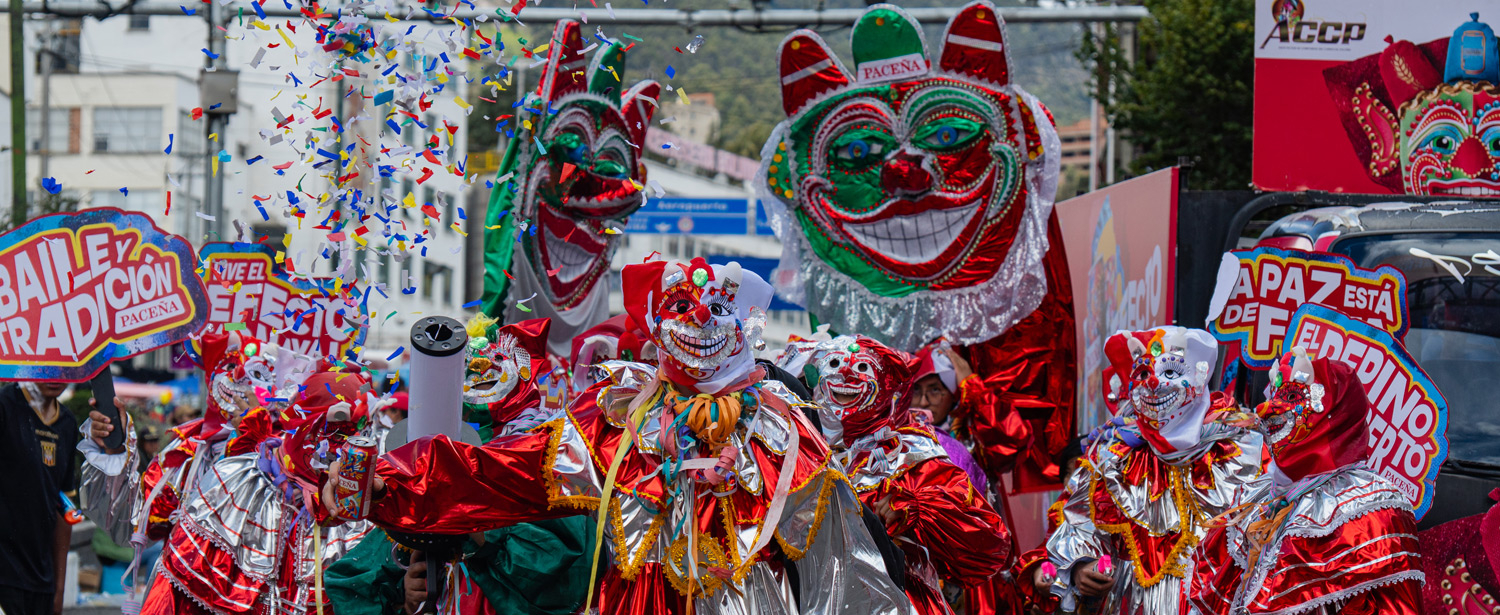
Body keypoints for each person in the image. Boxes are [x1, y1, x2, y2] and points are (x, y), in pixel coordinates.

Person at [325, 258, 914, 615]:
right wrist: (382, 484)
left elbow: (847, 563)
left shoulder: (783, 431)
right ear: (658, 323)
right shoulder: (618, 421)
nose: (701, 320)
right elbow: (502, 474)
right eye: (683, 305)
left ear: (744, 327)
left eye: (717, 309)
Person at [1037, 327, 1263, 614]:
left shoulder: (1243, 449)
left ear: (1197, 375)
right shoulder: (1114, 460)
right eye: (1143, 375)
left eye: (1169, 373)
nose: (1154, 384)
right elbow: (1079, 527)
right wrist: (1082, 566)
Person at [1189, 349, 1423, 615]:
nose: (1266, 409)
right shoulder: (1259, 500)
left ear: (1336, 409)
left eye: (1290, 397)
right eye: (1274, 396)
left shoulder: (1373, 509)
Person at [795, 334, 1011, 615]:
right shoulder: (798, 454)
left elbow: (988, 544)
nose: (847, 375)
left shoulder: (912, 455)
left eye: (862, 368)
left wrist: (917, 507)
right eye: (835, 364)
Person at [0, 380, 77, 615]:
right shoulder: (5, 406)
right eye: (48, 366)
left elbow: (64, 507)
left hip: (42, 580)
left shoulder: (67, 423)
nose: (55, 377)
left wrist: (59, 589)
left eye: (63, 368)